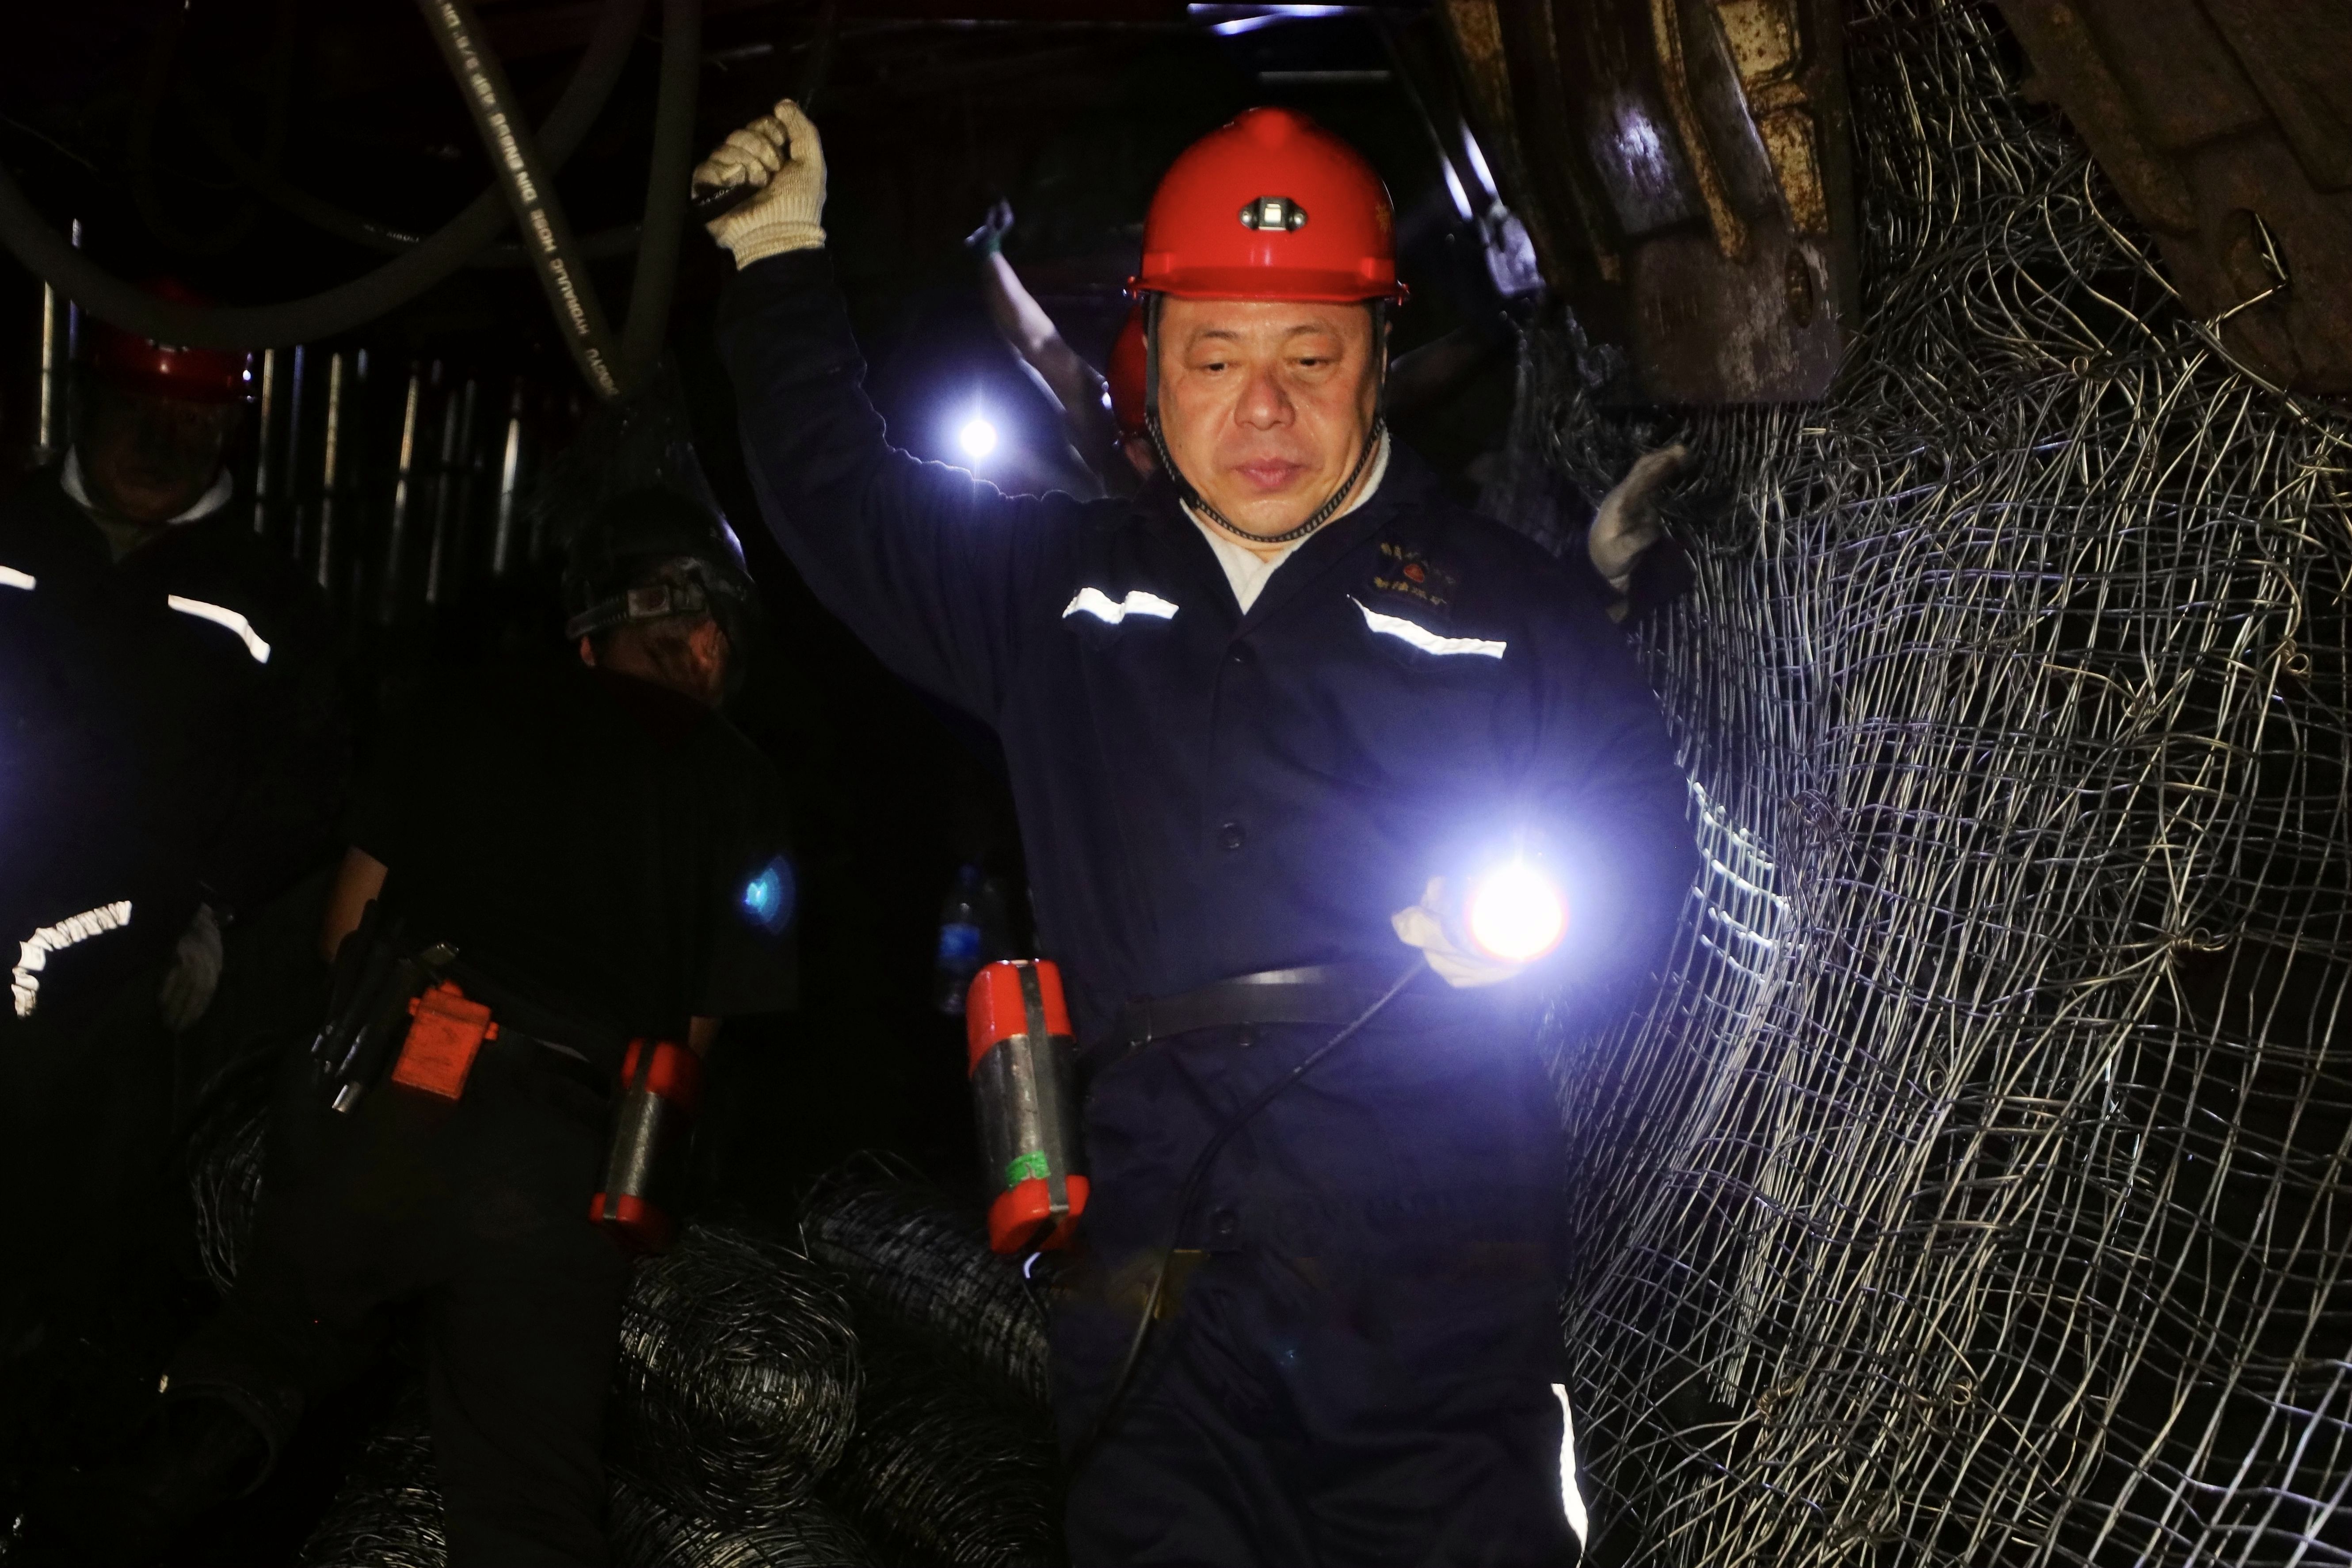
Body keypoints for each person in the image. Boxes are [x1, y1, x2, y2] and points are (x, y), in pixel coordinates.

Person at [700, 101, 1697, 1564]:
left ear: (1379, 354)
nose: (1264, 408)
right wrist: (782, 260)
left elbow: (1639, 842)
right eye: (1216, 358)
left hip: (1440, 1260)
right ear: (1153, 358)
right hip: (1155, 1272)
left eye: (1312, 357)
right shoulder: (1059, 593)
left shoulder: (1507, 606)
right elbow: (844, 501)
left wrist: (1548, 918)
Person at [40, 488, 800, 1567]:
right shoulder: (744, 788)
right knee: (527, 1497)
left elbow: (344, 928)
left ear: (590, 629)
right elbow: (692, 1044)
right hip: (558, 1153)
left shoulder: (468, 703)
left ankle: (95, 1530)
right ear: (719, 641)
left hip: (395, 1079)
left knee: (264, 1348)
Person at [0, 285, 347, 1387]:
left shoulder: (265, 596)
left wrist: (214, 904)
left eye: (193, 423)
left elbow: (316, 775)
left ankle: (56, 1391)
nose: (162, 447)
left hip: (122, 967)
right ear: (88, 402)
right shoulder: (8, 531)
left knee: (83, 1203)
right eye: (141, 415)